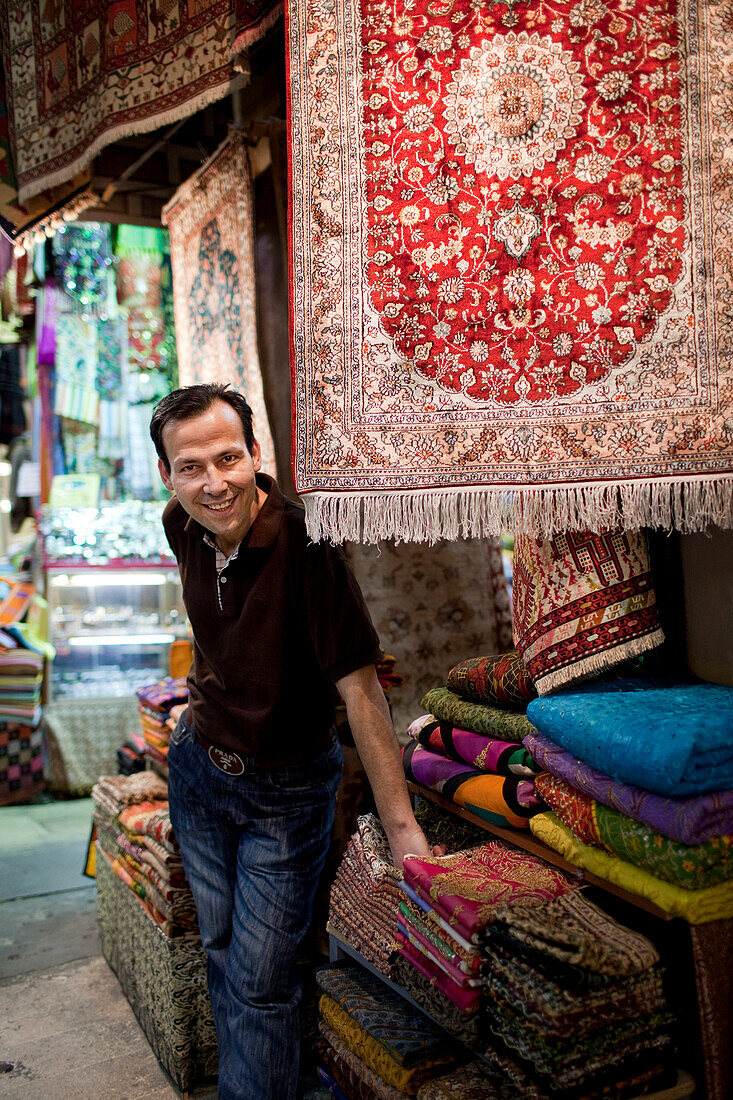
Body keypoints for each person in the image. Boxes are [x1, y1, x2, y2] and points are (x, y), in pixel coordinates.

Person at [149, 383, 435, 1100]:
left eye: (228, 458)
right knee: (219, 950)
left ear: (254, 456)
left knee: (262, 978)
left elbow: (361, 692)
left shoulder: (310, 550)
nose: (213, 483)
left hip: (284, 792)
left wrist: (402, 829)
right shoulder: (180, 526)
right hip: (199, 774)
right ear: (167, 476)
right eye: (191, 467)